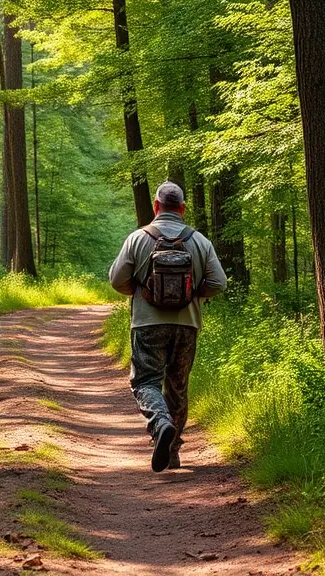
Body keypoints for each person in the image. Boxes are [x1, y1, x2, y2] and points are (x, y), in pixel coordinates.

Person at [108, 181, 227, 473]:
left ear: (156, 206)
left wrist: (139, 291)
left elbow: (116, 280)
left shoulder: (138, 238)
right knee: (178, 385)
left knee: (145, 381)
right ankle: (173, 453)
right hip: (187, 324)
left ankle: (160, 423)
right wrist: (193, 293)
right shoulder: (199, 241)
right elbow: (219, 283)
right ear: (182, 209)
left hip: (148, 323)